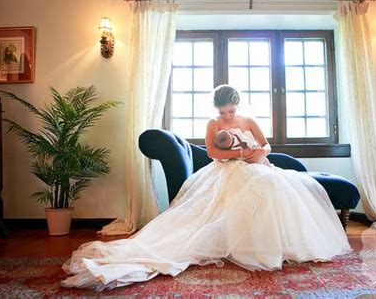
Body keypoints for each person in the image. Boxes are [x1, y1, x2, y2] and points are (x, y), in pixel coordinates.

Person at [61, 84, 351, 291]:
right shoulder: (213, 123)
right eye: (223, 112)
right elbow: (213, 153)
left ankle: (274, 243)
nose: (228, 116)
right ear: (217, 109)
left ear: (237, 105)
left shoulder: (248, 120)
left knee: (275, 184)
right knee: (246, 189)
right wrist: (239, 155)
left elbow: (266, 144)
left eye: (231, 111)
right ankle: (241, 246)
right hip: (226, 169)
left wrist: (257, 153)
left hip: (256, 163)